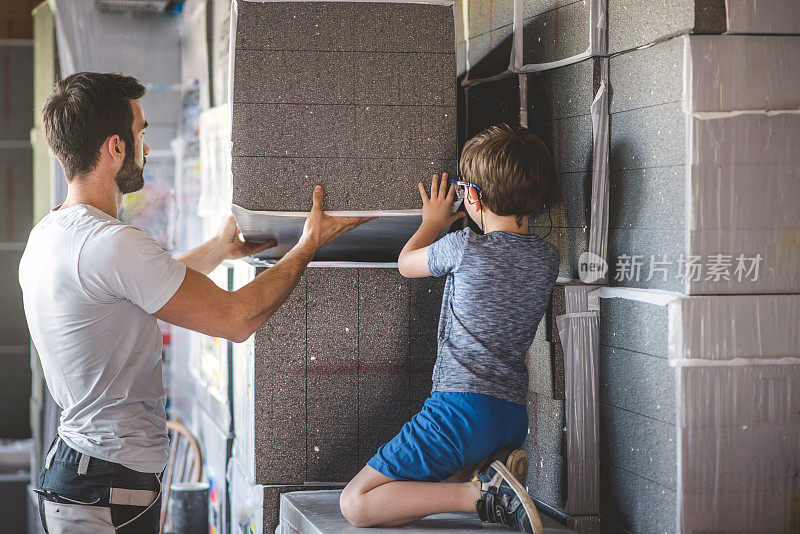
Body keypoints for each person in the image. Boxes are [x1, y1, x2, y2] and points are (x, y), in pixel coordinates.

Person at [19, 72, 369, 533]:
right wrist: (308, 244)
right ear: (115, 148)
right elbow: (238, 318)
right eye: (140, 132)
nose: (145, 147)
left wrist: (220, 249)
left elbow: (142, 286)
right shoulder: (111, 242)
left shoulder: (50, 234)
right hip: (103, 487)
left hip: (84, 477)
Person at [339, 124, 560, 533]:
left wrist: (432, 221)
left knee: (356, 503)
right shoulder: (549, 258)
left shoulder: (463, 246)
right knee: (428, 487)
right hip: (511, 416)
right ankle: (489, 476)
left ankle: (482, 493)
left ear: (471, 196)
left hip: (460, 409)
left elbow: (406, 264)